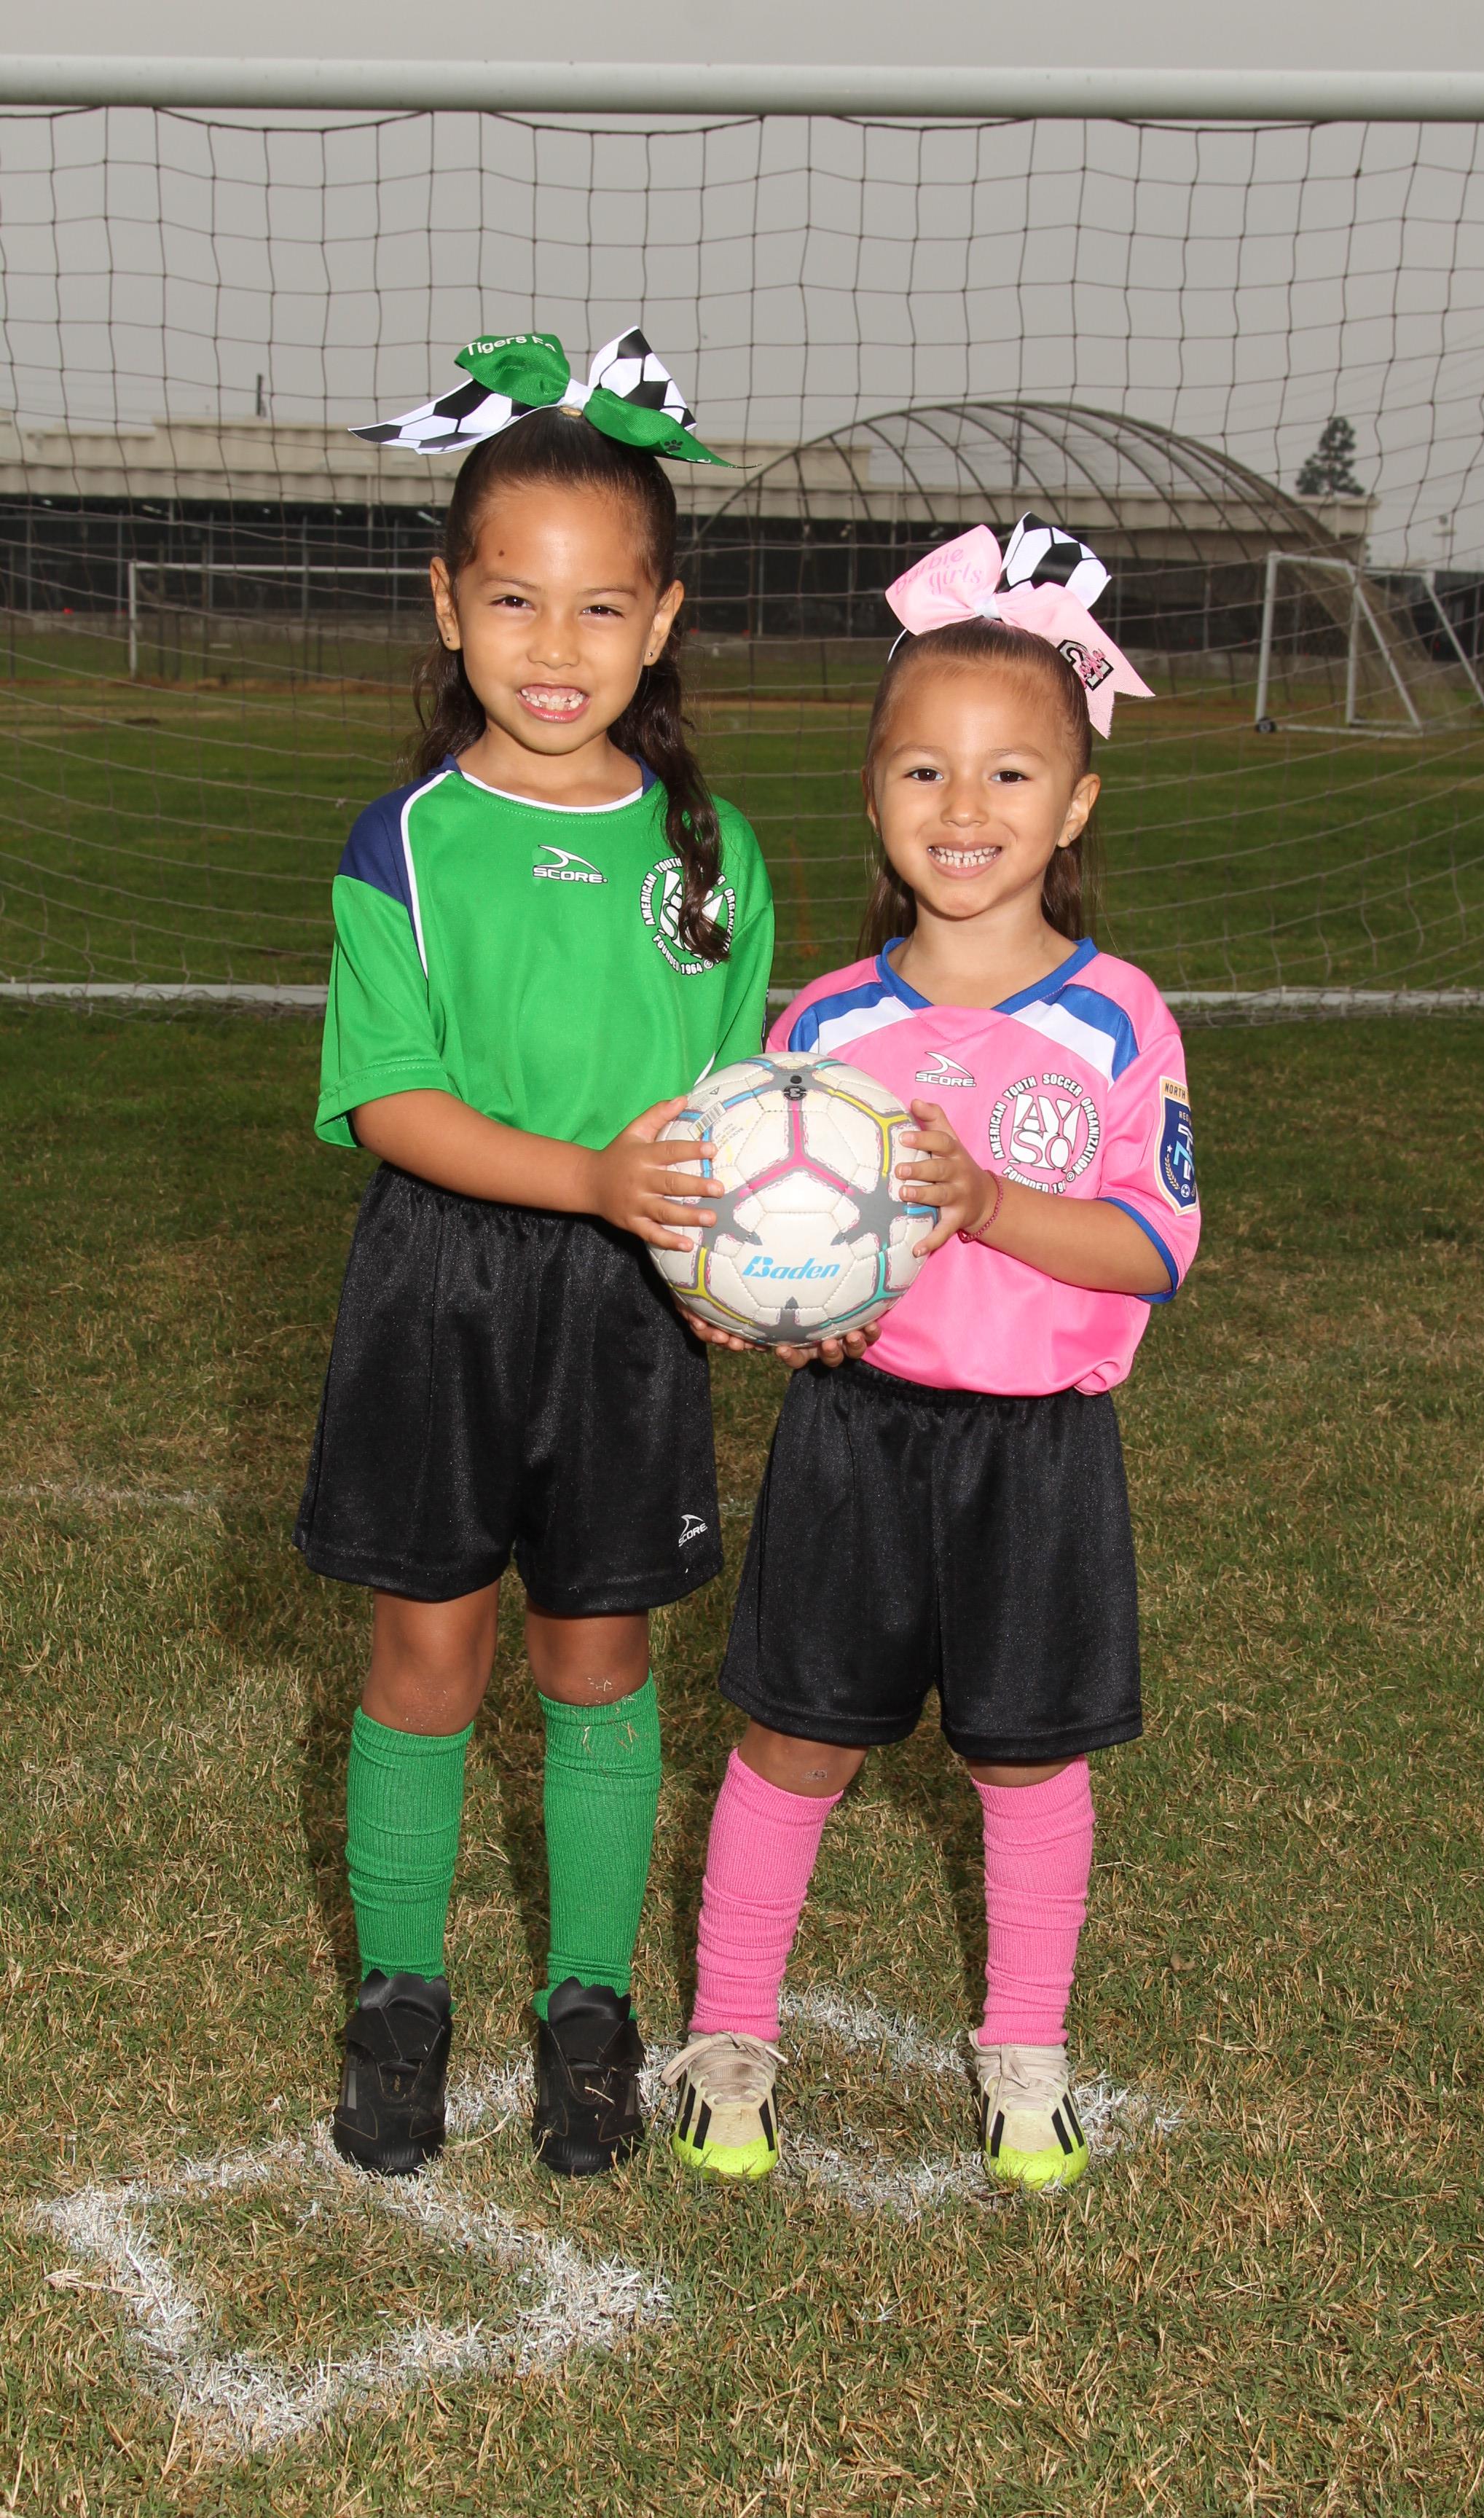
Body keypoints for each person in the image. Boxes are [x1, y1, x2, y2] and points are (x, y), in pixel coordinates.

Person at [662, 514, 1201, 2191]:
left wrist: (988, 1202)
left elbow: (1155, 1245)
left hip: (1038, 1451)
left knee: (1024, 1756)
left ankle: (1025, 2051)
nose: (965, 808)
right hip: (857, 1437)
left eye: (1009, 773)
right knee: (797, 1738)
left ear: (1077, 803)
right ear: (876, 794)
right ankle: (730, 2037)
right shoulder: (824, 1025)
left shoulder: (1118, 1017)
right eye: (924, 771)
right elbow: (755, 1233)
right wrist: (739, 1299)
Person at [294, 329, 773, 2178]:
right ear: (447, 606)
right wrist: (589, 1179)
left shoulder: (713, 854)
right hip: (441, 1285)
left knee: (599, 1656)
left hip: (626, 1303)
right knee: (429, 1653)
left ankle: (590, 2003)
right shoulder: (405, 843)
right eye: (513, 599)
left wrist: (742, 1271)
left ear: (661, 623)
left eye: (599, 606)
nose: (554, 645)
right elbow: (391, 1101)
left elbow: (737, 1114)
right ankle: (399, 1998)